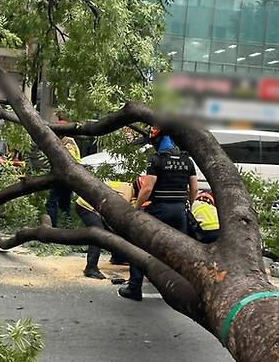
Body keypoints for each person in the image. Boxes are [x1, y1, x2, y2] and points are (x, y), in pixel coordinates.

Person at [118, 129, 197, 301]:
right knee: (180, 250)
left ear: (157, 141)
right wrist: (187, 205)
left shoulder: (156, 160)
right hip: (179, 212)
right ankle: (181, 289)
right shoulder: (187, 161)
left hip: (160, 210)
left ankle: (134, 287)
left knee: (140, 244)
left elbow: (147, 188)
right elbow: (195, 189)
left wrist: (136, 208)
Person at [74, 180, 134, 279]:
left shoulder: (129, 189)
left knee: (114, 231)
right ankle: (90, 267)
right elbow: (115, 216)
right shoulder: (126, 195)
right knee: (98, 233)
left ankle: (117, 257)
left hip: (98, 206)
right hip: (86, 205)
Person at [46, 125, 81, 227]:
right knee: (64, 204)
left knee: (52, 202)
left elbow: (66, 161)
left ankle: (52, 227)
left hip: (63, 177)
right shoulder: (69, 142)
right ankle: (68, 225)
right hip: (70, 178)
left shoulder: (67, 143)